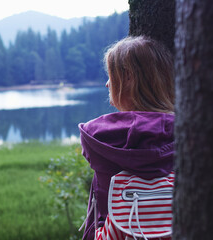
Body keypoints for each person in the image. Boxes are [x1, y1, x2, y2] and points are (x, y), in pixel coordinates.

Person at [78, 36, 175, 240]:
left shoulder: (99, 137)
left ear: (129, 77)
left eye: (111, 76)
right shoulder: (192, 133)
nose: (107, 84)